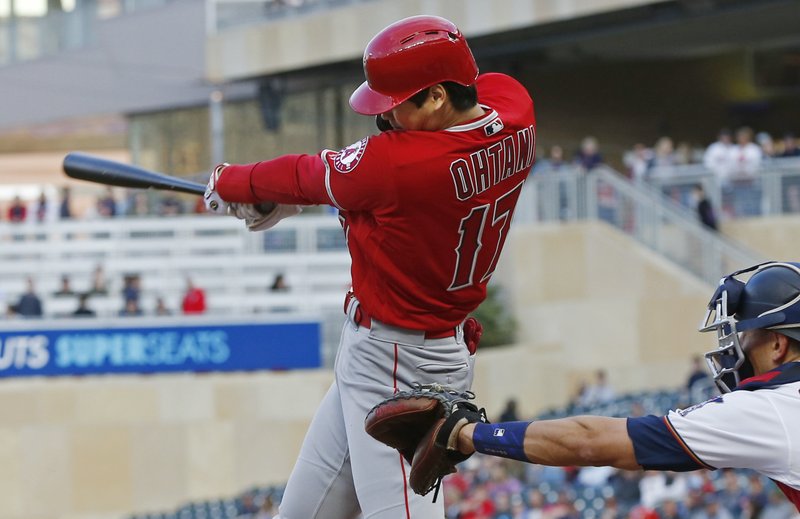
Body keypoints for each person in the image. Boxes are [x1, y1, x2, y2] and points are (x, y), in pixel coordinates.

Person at [203, 14, 536, 519]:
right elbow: (370, 194)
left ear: (438, 98)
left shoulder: (402, 164)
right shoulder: (516, 108)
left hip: (400, 364)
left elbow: (309, 174)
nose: (384, 118)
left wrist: (232, 182)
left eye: (399, 104)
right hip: (397, 348)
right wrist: (302, 199)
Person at [443, 261, 800, 512]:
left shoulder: (769, 408)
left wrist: (470, 434)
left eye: (749, 334)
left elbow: (590, 443)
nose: (739, 346)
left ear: (777, 344)